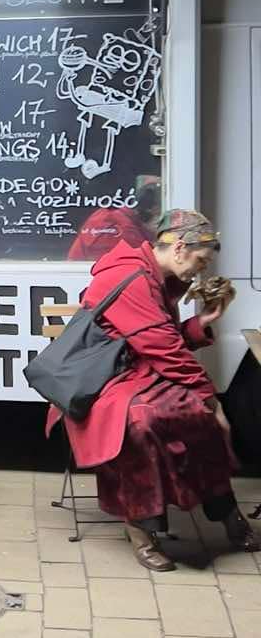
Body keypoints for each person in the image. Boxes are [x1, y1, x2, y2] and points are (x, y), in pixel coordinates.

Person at [60, 207, 261, 571]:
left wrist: (201, 324)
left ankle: (228, 515)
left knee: (194, 415)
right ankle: (141, 529)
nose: (202, 269)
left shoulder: (156, 276)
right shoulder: (132, 277)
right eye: (200, 260)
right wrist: (214, 401)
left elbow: (163, 341)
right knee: (142, 425)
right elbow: (163, 347)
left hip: (139, 373)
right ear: (180, 247)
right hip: (107, 382)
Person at [67, 176, 161, 262]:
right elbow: (149, 262)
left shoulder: (104, 216)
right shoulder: (125, 230)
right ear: (153, 210)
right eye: (159, 219)